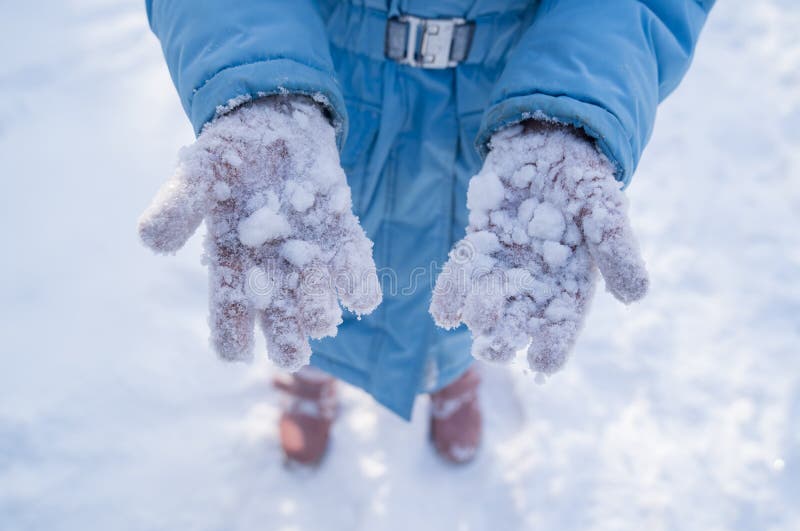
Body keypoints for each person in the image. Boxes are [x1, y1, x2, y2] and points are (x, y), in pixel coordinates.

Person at [139, 0, 714, 465]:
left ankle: (451, 372)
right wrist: (261, 77)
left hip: (506, 91)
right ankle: (312, 376)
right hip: (326, 78)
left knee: (478, 270)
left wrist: (571, 104)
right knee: (308, 263)